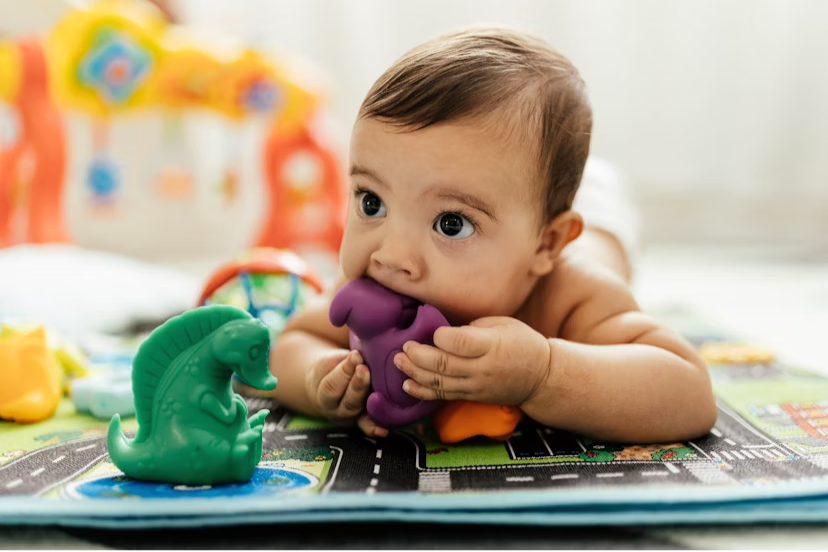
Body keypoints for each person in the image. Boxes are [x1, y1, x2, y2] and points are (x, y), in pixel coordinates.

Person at [266, 26, 717, 444]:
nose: (391, 254)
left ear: (546, 244)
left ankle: (597, 187)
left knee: (599, 218)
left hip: (598, 229)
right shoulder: (375, 282)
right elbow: (288, 343)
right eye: (372, 203)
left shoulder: (572, 297)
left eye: (451, 224)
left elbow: (689, 393)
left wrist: (544, 372)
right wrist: (318, 377)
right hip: (528, 209)